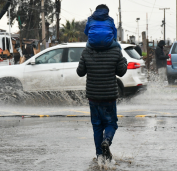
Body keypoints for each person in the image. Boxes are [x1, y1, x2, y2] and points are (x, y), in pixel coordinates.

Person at [77, 6, 127, 162]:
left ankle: (100, 156)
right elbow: (121, 72)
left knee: (97, 126)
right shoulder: (115, 51)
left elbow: (80, 72)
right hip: (109, 95)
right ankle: (107, 141)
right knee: (111, 123)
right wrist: (123, 60)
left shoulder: (86, 51)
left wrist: (85, 61)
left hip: (93, 96)